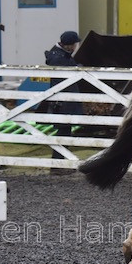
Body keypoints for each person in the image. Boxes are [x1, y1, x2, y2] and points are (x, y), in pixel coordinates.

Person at [44, 30, 82, 172]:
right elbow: (67, 74)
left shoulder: (58, 55)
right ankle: (57, 165)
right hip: (63, 102)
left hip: (62, 101)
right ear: (69, 45)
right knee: (63, 132)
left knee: (64, 131)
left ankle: (59, 164)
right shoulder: (60, 58)